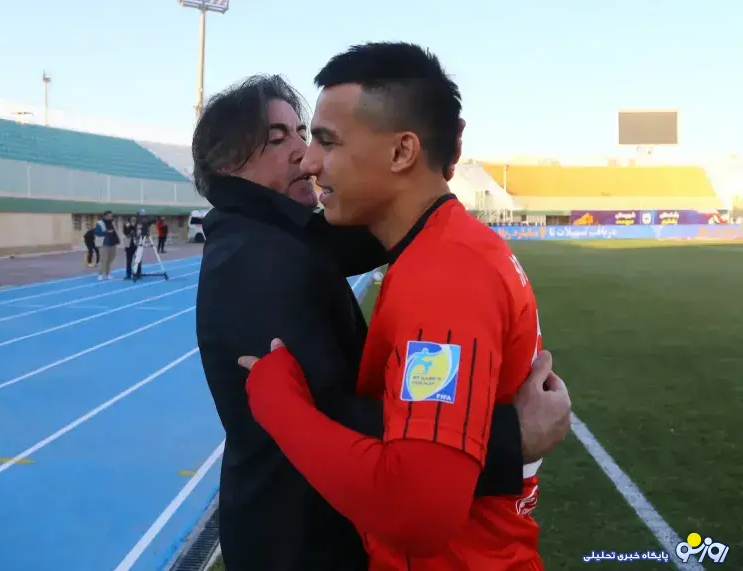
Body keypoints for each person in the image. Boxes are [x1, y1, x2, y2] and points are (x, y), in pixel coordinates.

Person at [194, 75, 571, 571]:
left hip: (313, 523)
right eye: (277, 139)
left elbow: (390, 217)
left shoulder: (281, 233)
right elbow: (327, 412)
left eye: (306, 134)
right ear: (225, 164)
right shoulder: (254, 259)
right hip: (299, 538)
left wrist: (427, 166)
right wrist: (511, 438)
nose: (305, 154)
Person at [93, 210, 119, 280]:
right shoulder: (100, 223)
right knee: (103, 259)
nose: (110, 217)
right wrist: (106, 232)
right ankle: (100, 274)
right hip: (104, 244)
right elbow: (97, 232)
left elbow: (115, 232)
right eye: (109, 216)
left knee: (110, 260)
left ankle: (108, 273)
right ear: (105, 216)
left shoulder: (112, 223)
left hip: (113, 243)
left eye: (111, 216)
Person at [123, 215, 142, 280]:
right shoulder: (127, 224)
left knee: (138, 260)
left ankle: (138, 274)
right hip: (128, 244)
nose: (134, 220)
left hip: (137, 244)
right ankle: (128, 274)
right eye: (132, 219)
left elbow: (139, 233)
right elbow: (126, 232)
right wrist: (131, 227)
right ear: (130, 219)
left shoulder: (138, 225)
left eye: (135, 219)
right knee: (128, 260)